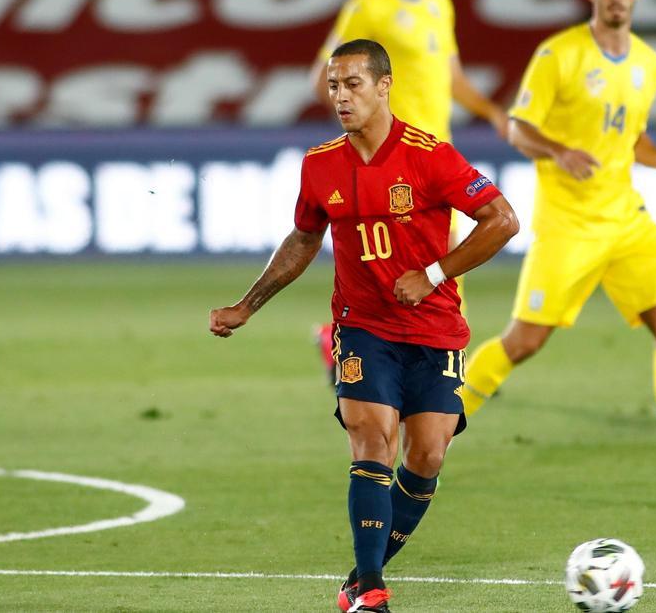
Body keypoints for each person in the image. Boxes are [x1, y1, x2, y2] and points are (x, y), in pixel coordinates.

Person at [210, 39, 518, 612]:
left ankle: (358, 576)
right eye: (333, 85)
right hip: (362, 326)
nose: (341, 96)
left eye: (353, 84)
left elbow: (502, 220)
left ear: (384, 86)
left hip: (433, 328)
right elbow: (304, 239)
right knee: (373, 440)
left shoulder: (431, 156)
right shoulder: (320, 163)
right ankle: (372, 589)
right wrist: (248, 305)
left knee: (427, 456)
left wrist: (434, 272)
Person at [459, 0, 656, 491]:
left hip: (626, 219)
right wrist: (558, 151)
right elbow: (519, 127)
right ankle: (436, 429)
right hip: (567, 223)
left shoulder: (649, 63)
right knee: (523, 342)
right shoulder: (558, 54)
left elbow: (630, 135)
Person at [308, 0, 509, 381]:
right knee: (433, 258)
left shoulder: (438, 0)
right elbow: (320, 76)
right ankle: (447, 368)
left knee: (442, 255)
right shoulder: (365, 8)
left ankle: (348, 341)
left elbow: (452, 77)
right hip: (396, 156)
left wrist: (490, 110)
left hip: (437, 153)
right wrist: (359, 137)